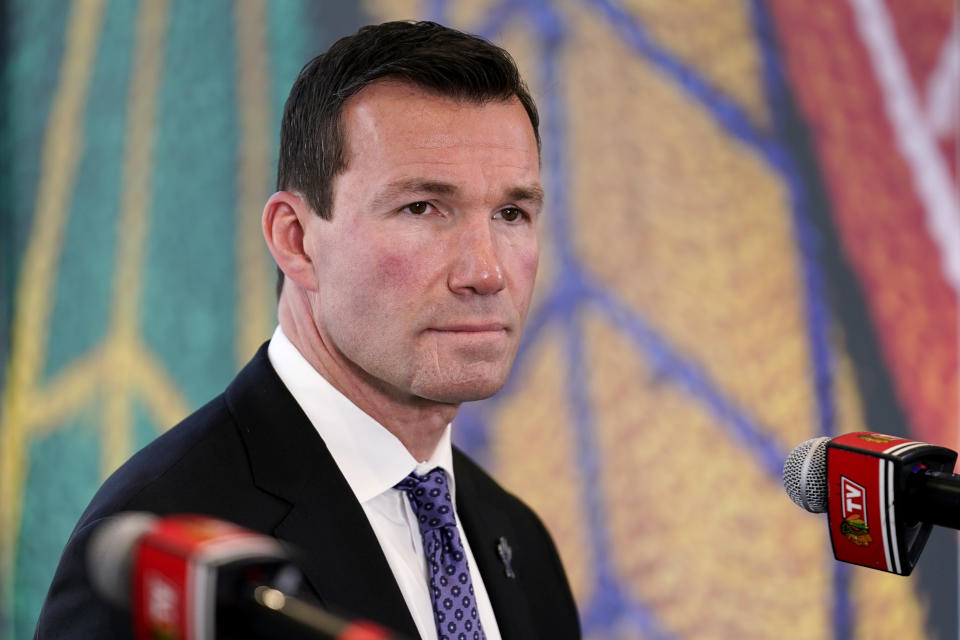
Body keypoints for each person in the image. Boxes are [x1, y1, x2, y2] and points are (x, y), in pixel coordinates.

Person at [34, 20, 580, 640]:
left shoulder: (522, 545)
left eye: (512, 213)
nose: (485, 272)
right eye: (422, 207)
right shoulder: (167, 560)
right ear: (295, 240)